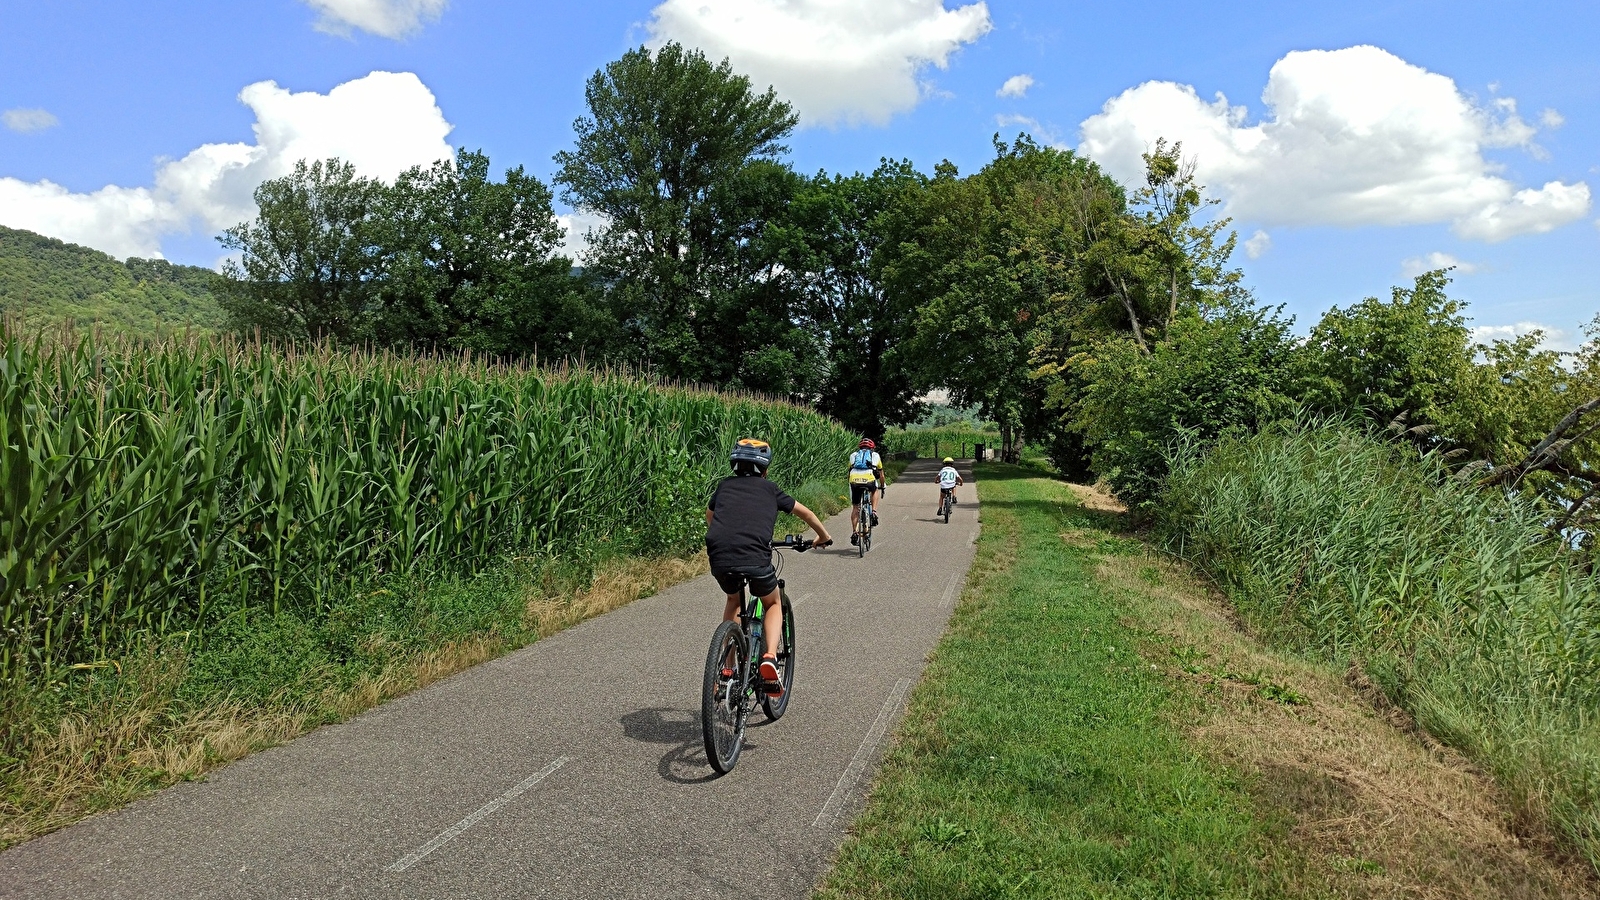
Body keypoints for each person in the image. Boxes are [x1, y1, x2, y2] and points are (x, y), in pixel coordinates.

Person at [706, 438, 832, 695]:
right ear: (764, 470)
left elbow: (710, 516)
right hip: (755, 557)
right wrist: (823, 536)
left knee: (733, 600)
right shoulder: (770, 489)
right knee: (773, 602)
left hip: (720, 556)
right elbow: (806, 513)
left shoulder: (723, 487)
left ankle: (728, 669)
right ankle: (770, 658)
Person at [847, 438, 883, 544]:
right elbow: (881, 474)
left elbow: (849, 471)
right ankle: (874, 512)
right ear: (872, 448)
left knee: (855, 507)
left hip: (854, 480)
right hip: (869, 479)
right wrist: (883, 485)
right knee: (875, 490)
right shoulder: (875, 455)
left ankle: (854, 532)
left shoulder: (853, 455)